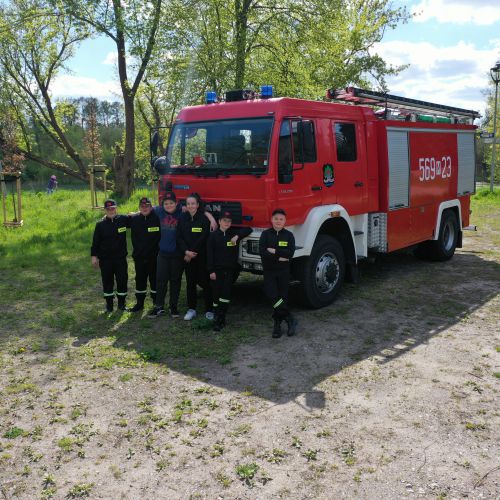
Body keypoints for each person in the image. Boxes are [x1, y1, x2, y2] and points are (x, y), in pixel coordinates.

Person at [207, 211, 252, 331]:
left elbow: (249, 229)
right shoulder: (213, 236)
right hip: (216, 271)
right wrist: (211, 271)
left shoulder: (233, 234)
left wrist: (237, 236)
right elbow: (209, 255)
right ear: (219, 221)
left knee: (225, 295)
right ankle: (216, 318)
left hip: (229, 271)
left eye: (229, 221)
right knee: (216, 296)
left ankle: (222, 318)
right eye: (224, 220)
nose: (226, 223)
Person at [259, 208, 298, 338]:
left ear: (285, 221)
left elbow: (290, 254)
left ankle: (277, 326)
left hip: (283, 271)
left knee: (282, 297)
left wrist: (274, 251)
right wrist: (279, 257)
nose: (278, 221)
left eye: (281, 219)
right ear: (272, 220)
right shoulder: (265, 235)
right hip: (269, 271)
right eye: (276, 219)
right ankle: (290, 319)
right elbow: (263, 253)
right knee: (272, 295)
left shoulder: (289, 235)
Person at [177, 193, 213, 321]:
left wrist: (192, 252)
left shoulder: (204, 218)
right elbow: (179, 237)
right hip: (187, 256)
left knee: (206, 283)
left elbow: (203, 237)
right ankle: (191, 309)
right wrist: (186, 252)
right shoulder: (182, 218)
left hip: (201, 256)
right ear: (186, 206)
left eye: (193, 203)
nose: (191, 206)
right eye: (188, 204)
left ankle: (209, 310)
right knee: (190, 283)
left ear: (198, 205)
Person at [147, 191, 184, 318]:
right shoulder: (159, 211)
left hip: (177, 255)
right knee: (161, 280)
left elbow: (199, 210)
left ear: (176, 203)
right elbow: (146, 210)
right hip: (162, 253)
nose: (168, 205)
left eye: (171, 203)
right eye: (166, 203)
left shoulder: (182, 212)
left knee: (175, 281)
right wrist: (133, 214)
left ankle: (173, 307)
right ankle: (159, 307)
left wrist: (211, 219)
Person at [91, 199, 129, 312]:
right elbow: (95, 242)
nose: (111, 210)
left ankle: (122, 304)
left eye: (113, 208)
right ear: (105, 210)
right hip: (105, 259)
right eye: (108, 209)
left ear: (116, 208)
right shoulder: (100, 225)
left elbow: (138, 219)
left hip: (120, 258)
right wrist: (94, 257)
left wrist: (135, 213)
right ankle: (109, 305)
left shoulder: (123, 220)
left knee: (122, 280)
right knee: (107, 281)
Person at [128, 197, 161, 312]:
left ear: (151, 207)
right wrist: (104, 218)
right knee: (140, 280)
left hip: (155, 257)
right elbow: (117, 219)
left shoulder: (158, 218)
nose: (145, 208)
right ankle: (139, 304)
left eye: (147, 206)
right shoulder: (133, 219)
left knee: (154, 280)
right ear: (139, 208)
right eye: (142, 207)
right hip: (139, 257)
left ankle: (156, 303)